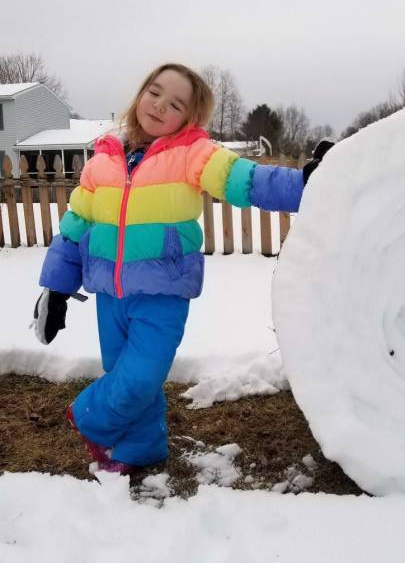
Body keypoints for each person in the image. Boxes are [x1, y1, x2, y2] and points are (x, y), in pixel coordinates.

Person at [32, 62, 334, 474]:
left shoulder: (192, 154)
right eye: (154, 92)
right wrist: (56, 288)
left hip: (163, 292)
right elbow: (75, 227)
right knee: (126, 376)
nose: (159, 105)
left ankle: (88, 417)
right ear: (140, 93)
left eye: (175, 103)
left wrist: (305, 184)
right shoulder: (103, 158)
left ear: (188, 118)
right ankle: (140, 451)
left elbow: (244, 180)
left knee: (138, 379)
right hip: (110, 294)